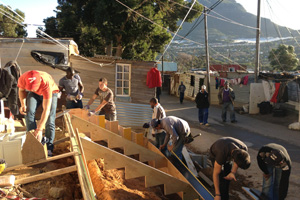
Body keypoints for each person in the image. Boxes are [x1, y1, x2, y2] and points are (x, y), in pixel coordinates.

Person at [18, 70, 59, 156]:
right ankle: (33, 142)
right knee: (28, 113)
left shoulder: (46, 82)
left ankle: (49, 147)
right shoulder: (23, 78)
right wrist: (23, 104)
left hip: (51, 92)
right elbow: (21, 91)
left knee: (50, 120)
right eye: (30, 87)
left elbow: (46, 110)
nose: (32, 88)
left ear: (39, 81)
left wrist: (40, 129)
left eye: (34, 87)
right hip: (34, 94)